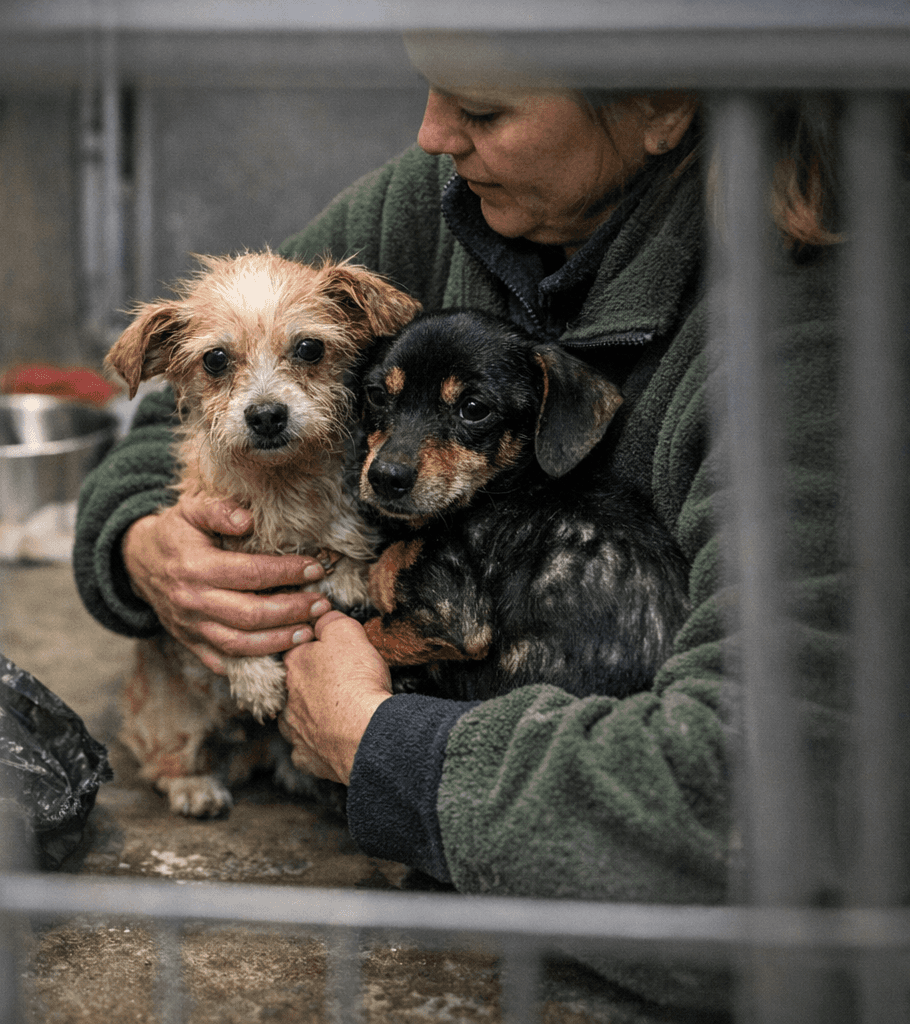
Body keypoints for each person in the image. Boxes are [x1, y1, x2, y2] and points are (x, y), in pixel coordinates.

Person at [74, 36, 877, 1010]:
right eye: (432, 91)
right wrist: (141, 541)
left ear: (662, 103)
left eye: (484, 110)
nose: (431, 134)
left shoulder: (825, 345)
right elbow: (199, 380)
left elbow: (776, 813)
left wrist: (384, 747)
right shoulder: (439, 195)